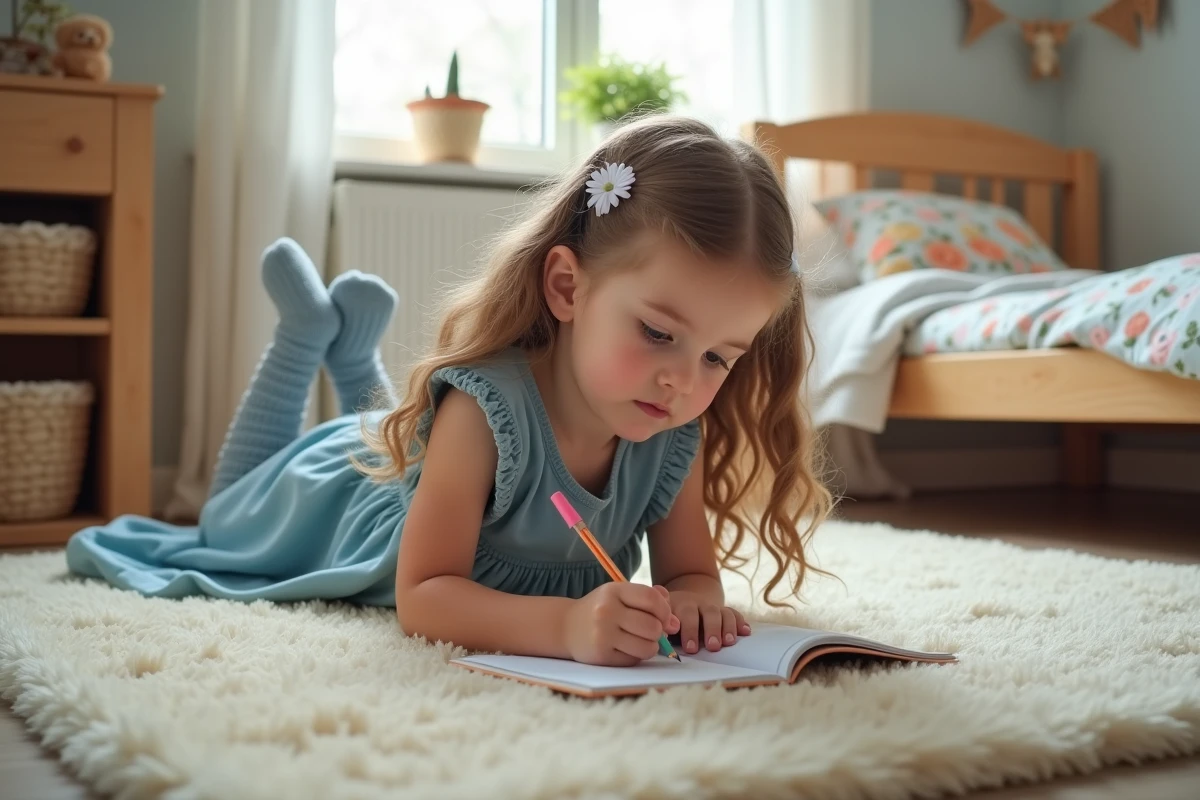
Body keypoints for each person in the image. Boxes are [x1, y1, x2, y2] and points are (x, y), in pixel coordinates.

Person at [67, 115, 830, 667]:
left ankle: (352, 351)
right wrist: (566, 627)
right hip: (332, 500)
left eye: (719, 359)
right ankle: (303, 337)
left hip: (404, 463)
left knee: (384, 429)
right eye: (660, 334)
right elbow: (425, 594)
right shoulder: (480, 412)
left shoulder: (670, 433)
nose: (683, 380)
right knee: (232, 512)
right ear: (568, 287)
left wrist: (697, 601)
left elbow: (689, 571)